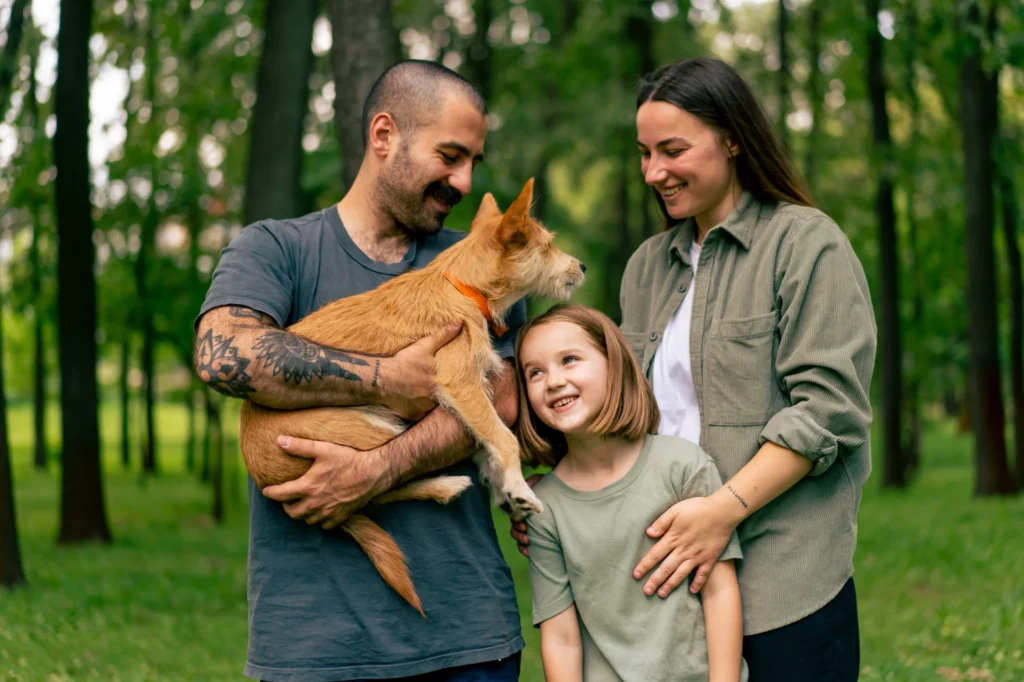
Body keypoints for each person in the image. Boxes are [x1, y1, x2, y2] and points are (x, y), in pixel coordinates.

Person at [511, 57, 876, 682]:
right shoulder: (647, 267)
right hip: (666, 592)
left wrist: (721, 511)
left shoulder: (804, 243)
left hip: (784, 580)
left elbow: (828, 412)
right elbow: (621, 410)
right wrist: (568, 497)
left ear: (732, 138)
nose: (654, 172)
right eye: (644, 152)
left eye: (673, 150)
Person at [194, 60, 525, 682]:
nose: (464, 179)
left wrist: (375, 469)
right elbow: (223, 354)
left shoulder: (482, 266)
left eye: (474, 161)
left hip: (467, 640)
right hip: (314, 647)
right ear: (384, 136)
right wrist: (384, 380)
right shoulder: (276, 249)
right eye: (450, 155)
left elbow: (499, 404)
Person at [515, 304, 748, 682]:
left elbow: (719, 593)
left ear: (614, 365)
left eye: (570, 360)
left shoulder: (683, 466)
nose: (553, 380)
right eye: (535, 372)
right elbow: (561, 638)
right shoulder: (546, 509)